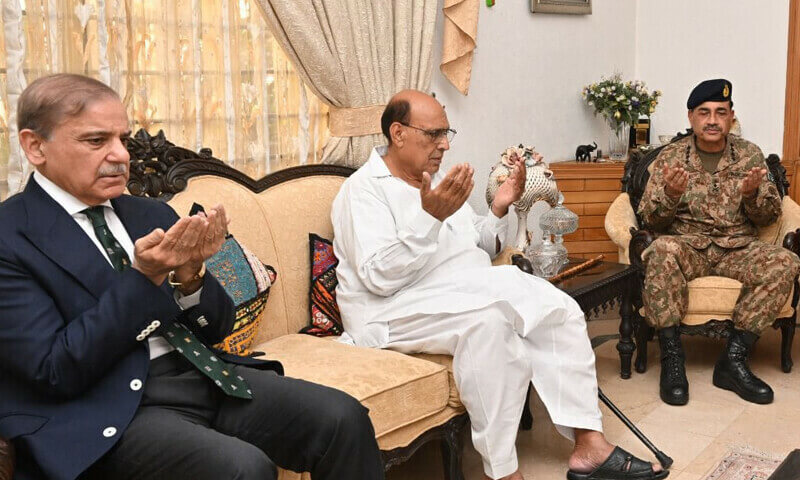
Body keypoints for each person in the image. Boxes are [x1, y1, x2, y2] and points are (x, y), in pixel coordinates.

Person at [0, 74, 384, 480]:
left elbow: (216, 330)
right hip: (102, 407)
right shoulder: (10, 237)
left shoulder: (149, 214)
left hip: (202, 373)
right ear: (35, 146)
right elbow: (54, 370)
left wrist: (191, 276)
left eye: (122, 139)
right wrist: (143, 278)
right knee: (244, 469)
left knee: (343, 418)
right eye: (96, 141)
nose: (120, 155)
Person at [331, 89, 667, 480]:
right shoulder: (363, 191)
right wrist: (430, 219)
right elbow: (378, 278)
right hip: (393, 307)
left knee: (558, 307)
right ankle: (504, 472)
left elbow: (478, 244)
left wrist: (498, 207)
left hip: (459, 288)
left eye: (446, 133)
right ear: (398, 132)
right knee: (490, 325)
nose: (444, 145)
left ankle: (589, 444)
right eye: (433, 134)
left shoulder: (436, 181)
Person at [638, 78, 800, 406]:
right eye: (704, 112)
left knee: (787, 261)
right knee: (660, 250)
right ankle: (672, 359)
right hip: (687, 246)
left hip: (736, 247)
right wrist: (670, 194)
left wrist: (753, 196)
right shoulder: (671, 157)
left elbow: (769, 216)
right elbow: (649, 219)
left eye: (720, 112)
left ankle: (733, 360)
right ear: (691, 117)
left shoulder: (750, 154)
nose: (712, 120)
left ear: (731, 117)